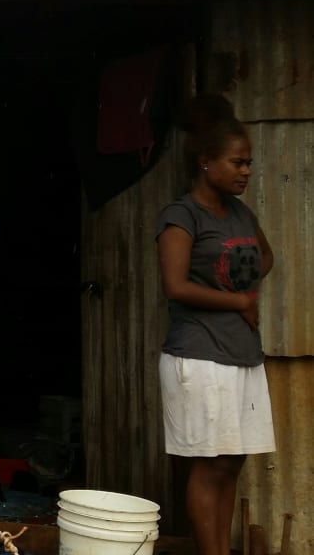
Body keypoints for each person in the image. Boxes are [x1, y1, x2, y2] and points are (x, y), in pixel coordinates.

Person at [155, 94, 276, 555]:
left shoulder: (240, 213)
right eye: (237, 162)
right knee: (207, 466)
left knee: (231, 464)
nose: (246, 171)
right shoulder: (181, 215)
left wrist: (243, 292)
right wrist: (237, 301)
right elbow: (175, 285)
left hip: (241, 353)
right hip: (199, 356)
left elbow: (266, 256)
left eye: (249, 163)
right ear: (205, 162)